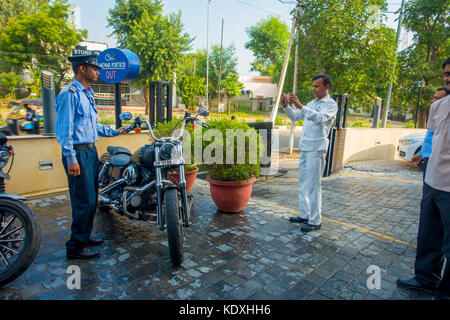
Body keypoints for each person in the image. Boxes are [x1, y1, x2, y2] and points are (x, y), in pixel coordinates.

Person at [55, 54, 126, 260]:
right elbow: (64, 129)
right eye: (94, 68)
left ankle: (84, 237)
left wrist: (116, 131)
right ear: (82, 69)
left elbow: (94, 126)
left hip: (90, 151)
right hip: (77, 152)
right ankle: (75, 247)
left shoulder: (87, 93)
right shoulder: (70, 94)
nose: (98, 71)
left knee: (91, 198)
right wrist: (71, 158)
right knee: (82, 201)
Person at [397, 58, 450, 300]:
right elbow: (432, 138)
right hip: (433, 180)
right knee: (428, 234)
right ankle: (425, 278)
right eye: (447, 74)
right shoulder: (438, 106)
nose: (448, 77)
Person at [281, 74, 338, 232]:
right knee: (303, 183)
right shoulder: (311, 103)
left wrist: (300, 105)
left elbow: (319, 118)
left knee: (314, 185)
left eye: (317, 86)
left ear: (326, 87)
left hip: (317, 147)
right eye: (313, 86)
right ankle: (305, 214)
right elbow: (296, 117)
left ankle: (315, 220)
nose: (313, 89)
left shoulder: (331, 105)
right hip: (305, 147)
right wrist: (286, 106)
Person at [411, 87, 449, 179]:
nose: (433, 101)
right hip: (428, 159)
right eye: (434, 98)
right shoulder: (435, 116)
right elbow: (430, 138)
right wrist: (421, 154)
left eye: (437, 98)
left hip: (438, 162)